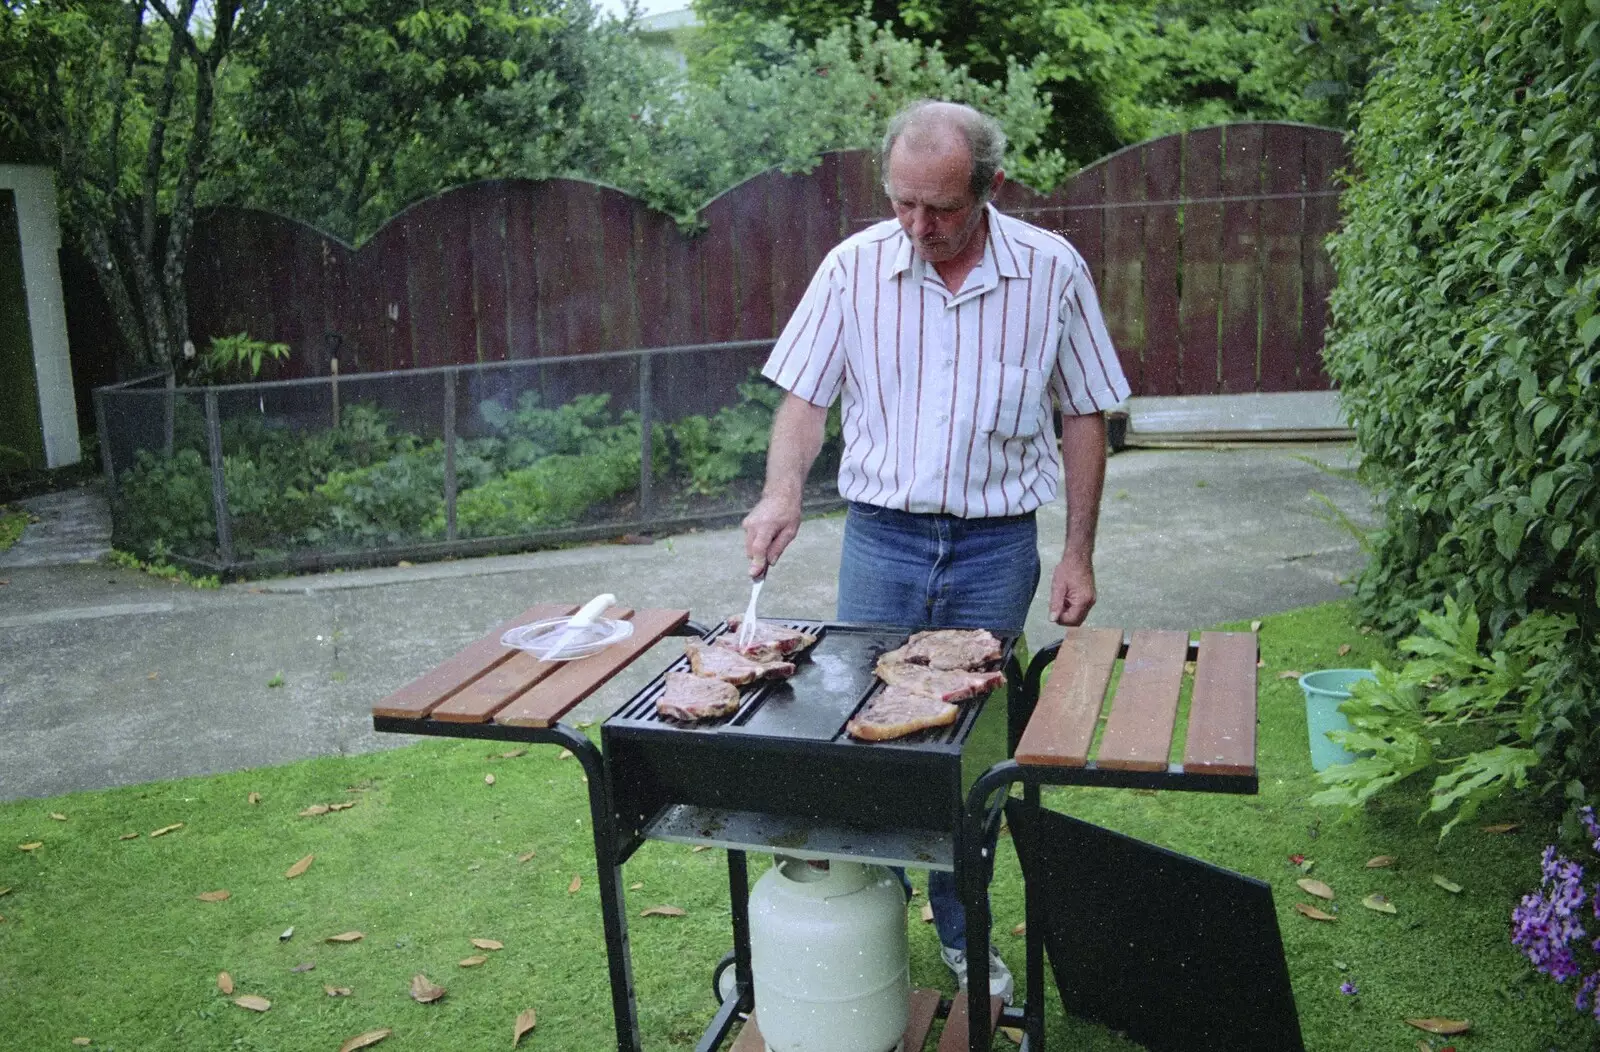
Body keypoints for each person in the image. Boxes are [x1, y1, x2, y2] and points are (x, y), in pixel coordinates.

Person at [742, 99, 1130, 1003]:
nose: (917, 227)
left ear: (990, 189)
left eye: (941, 209)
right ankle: (861, 920)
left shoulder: (1051, 271)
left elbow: (1084, 413)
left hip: (998, 548)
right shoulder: (853, 269)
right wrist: (781, 493)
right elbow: (804, 397)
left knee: (971, 753)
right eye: (902, 203)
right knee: (868, 738)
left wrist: (1078, 553)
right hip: (882, 538)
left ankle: (966, 933)